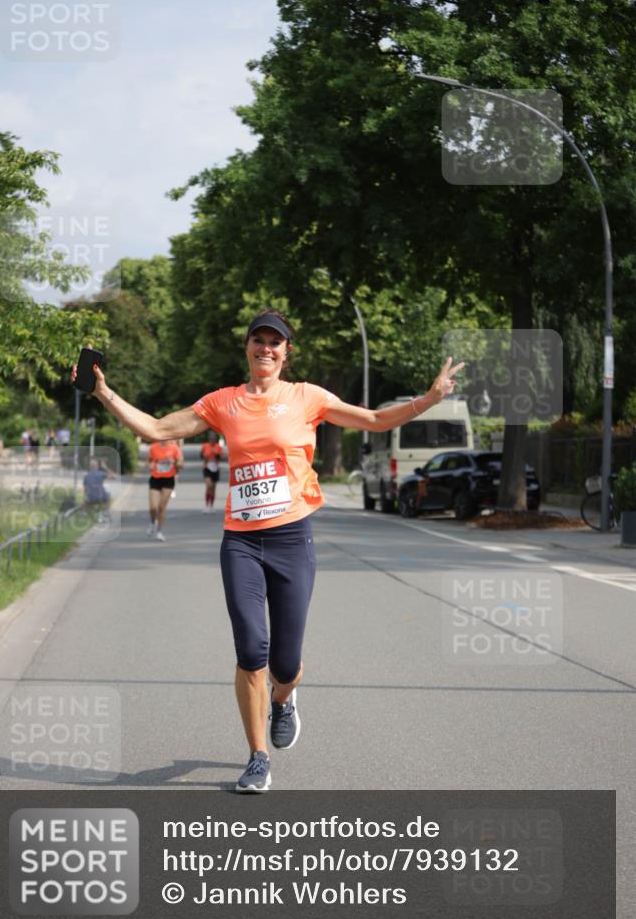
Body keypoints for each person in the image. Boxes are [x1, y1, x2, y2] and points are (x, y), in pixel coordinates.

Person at [72, 309, 464, 792]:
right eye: (259, 340)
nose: (266, 349)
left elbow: (377, 420)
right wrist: (102, 392)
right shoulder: (224, 402)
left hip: (292, 540)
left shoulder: (308, 398)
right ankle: (257, 757)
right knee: (251, 650)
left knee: (285, 662)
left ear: (286, 352)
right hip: (241, 542)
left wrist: (429, 399)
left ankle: (284, 699)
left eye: (275, 342)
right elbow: (156, 429)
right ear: (248, 347)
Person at [147, 437, 184, 541]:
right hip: (155, 478)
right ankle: (152, 522)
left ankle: (159, 531)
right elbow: (150, 461)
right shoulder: (153, 447)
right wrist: (150, 465)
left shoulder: (174, 448)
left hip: (168, 479)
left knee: (161, 507)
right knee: (153, 507)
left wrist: (176, 463)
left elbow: (181, 464)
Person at [83, 458, 114, 522]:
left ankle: (84, 514)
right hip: (101, 496)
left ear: (90, 467)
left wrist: (86, 497)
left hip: (91, 498)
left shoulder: (86, 476)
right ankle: (106, 512)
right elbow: (113, 476)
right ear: (97, 466)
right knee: (108, 497)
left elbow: (85, 489)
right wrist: (105, 467)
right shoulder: (101, 473)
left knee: (86, 501)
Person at [200, 430, 223, 512]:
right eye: (210, 439)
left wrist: (216, 454)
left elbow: (221, 458)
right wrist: (205, 456)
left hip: (215, 468)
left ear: (215, 439)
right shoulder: (205, 446)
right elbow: (201, 456)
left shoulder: (218, 447)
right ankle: (206, 505)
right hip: (207, 467)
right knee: (208, 486)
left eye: (213, 439)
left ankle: (211, 506)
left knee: (213, 488)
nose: (212, 440)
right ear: (209, 439)